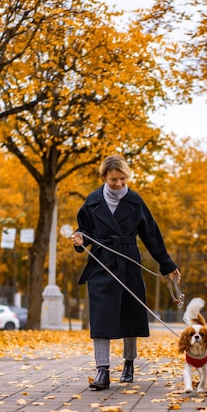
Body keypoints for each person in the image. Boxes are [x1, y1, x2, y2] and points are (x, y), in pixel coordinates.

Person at [71, 155, 181, 391]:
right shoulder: (91, 202)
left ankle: (129, 364)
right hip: (102, 263)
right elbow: (84, 231)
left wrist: (168, 266)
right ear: (104, 177)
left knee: (130, 314)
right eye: (113, 180)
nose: (119, 184)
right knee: (101, 316)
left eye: (123, 179)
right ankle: (102, 371)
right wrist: (79, 240)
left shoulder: (135, 201)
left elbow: (151, 235)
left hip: (129, 261)